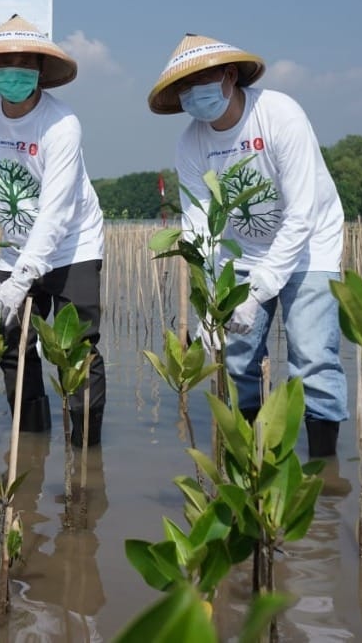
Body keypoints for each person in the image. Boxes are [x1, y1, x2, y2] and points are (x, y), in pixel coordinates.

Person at [148, 33, 347, 457]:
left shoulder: (279, 114)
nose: (193, 93)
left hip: (310, 245)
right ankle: (254, 460)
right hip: (240, 253)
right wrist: (209, 303)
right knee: (236, 361)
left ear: (230, 75)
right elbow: (199, 224)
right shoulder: (191, 142)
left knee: (312, 358)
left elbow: (301, 213)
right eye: (185, 86)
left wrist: (258, 291)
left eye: (202, 80)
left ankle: (323, 473)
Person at [0, 15, 107, 447]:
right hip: (12, 246)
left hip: (74, 244)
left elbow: (56, 212)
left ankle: (85, 447)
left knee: (77, 347)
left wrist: (24, 278)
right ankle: (31, 443)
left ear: (40, 69)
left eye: (25, 62)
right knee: (12, 345)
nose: (14, 70)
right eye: (5, 62)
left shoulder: (61, 123)